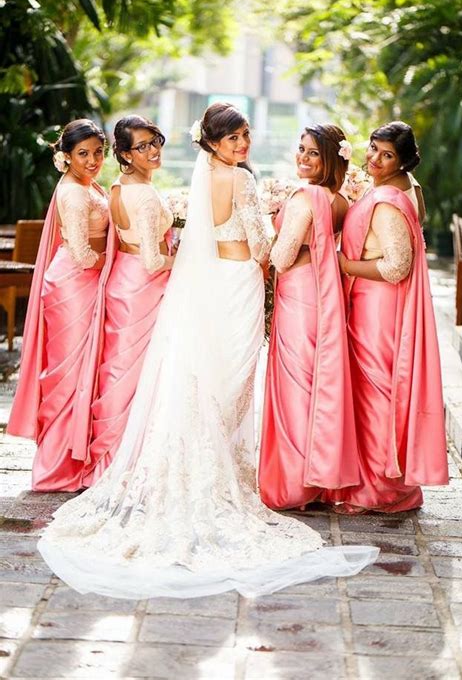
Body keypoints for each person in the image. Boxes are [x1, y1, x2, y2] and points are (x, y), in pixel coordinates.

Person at [38, 103, 378, 599]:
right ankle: (224, 474)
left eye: (246, 136)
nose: (243, 145)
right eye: (235, 138)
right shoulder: (239, 181)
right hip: (238, 281)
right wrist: (305, 241)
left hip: (209, 282)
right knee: (233, 379)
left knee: (208, 374)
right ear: (214, 141)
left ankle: (213, 465)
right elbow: (263, 247)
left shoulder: (202, 177)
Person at [334, 120, 448, 513]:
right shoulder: (403, 188)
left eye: (387, 155)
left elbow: (397, 265)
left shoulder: (387, 202)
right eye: (374, 150)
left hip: (378, 308)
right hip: (378, 304)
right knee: (377, 393)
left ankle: (380, 489)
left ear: (403, 160)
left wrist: (346, 265)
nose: (375, 160)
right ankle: (386, 483)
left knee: (378, 394)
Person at [259, 124, 360, 510]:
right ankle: (318, 477)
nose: (303, 157)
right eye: (301, 148)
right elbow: (326, 248)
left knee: (295, 388)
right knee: (317, 384)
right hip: (325, 294)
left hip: (299, 295)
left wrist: (272, 227)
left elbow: (281, 258)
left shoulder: (304, 199)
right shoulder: (340, 201)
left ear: (331, 158)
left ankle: (294, 483)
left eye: (313, 152)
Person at [7, 119, 111, 491]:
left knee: (84, 372)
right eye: (83, 154)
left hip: (84, 283)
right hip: (73, 285)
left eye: (98, 152)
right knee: (67, 375)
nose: (93, 160)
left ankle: (78, 457)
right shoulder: (72, 193)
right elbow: (83, 254)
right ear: (65, 157)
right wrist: (115, 259)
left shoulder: (89, 185)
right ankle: (57, 467)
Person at [82, 115, 174, 487]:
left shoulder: (118, 187)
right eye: (142, 146)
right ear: (123, 153)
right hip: (143, 285)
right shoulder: (147, 197)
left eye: (155, 141)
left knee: (118, 368)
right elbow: (153, 260)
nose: (152, 151)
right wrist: (187, 258)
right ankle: (126, 458)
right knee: (136, 373)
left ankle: (108, 455)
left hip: (122, 278)